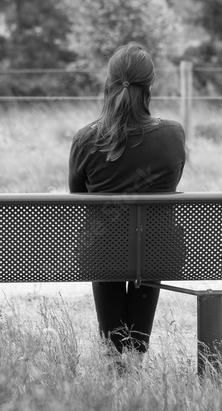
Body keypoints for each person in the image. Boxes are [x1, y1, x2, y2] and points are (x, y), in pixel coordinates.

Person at [68, 43, 186, 357]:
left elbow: (79, 198)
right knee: (150, 244)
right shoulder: (173, 134)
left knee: (104, 244)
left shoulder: (86, 139)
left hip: (101, 252)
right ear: (150, 87)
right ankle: (135, 356)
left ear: (109, 84)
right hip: (159, 250)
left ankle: (112, 354)